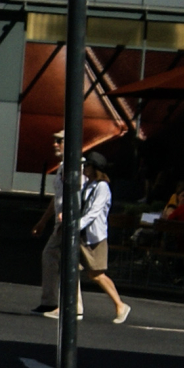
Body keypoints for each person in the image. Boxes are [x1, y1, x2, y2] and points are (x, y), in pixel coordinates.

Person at [63, 153, 130, 325]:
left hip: (94, 237)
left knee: (96, 274)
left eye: (87, 166)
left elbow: (93, 212)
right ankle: (74, 307)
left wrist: (74, 225)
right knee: (70, 268)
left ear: (95, 168)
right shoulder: (88, 184)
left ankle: (120, 305)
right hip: (82, 235)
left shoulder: (102, 187)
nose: (84, 169)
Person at [31, 131, 69, 312]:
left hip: (68, 223)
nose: (55, 144)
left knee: (53, 256)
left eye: (59, 141)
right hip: (61, 222)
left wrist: (68, 216)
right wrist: (43, 221)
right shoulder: (63, 167)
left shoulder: (74, 167)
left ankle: (53, 303)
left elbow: (78, 195)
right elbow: (57, 198)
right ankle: (55, 303)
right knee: (66, 262)